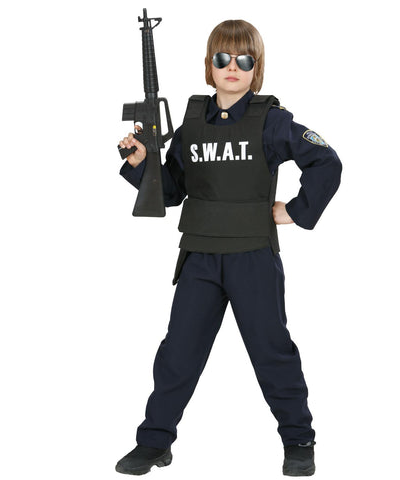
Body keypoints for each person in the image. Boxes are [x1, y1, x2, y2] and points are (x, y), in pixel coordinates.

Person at [115, 19, 342, 477]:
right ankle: (154, 442)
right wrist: (141, 166)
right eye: (223, 59)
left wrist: (296, 211)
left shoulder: (272, 121)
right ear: (209, 65)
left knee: (272, 352)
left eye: (244, 59)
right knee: (178, 354)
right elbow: (172, 190)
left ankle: (298, 440)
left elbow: (326, 161)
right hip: (199, 256)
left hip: (252, 255)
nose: (232, 67)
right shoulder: (192, 122)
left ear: (257, 67)